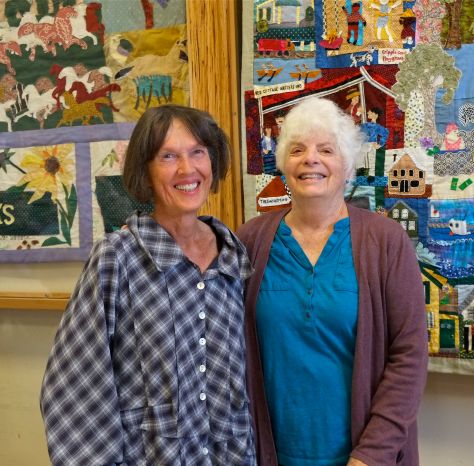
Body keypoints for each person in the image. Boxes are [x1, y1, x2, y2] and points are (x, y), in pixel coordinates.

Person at [40, 105, 256, 465]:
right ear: (146, 170)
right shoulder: (118, 259)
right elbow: (74, 390)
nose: (187, 169)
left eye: (197, 152)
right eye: (168, 156)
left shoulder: (234, 257)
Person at [237, 97, 427, 466]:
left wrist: (371, 456)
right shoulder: (249, 241)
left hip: (363, 457)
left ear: (347, 165)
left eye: (326, 149)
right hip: (269, 455)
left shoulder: (386, 241)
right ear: (283, 164)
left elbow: (409, 356)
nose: (311, 159)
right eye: (297, 150)